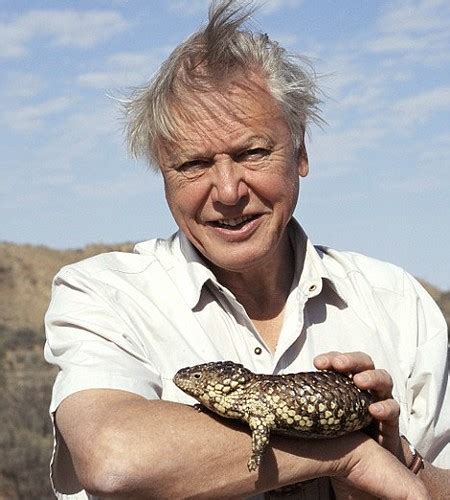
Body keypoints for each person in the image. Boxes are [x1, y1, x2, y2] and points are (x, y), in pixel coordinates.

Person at [44, 1, 449, 498]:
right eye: (193, 163)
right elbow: (112, 458)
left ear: (300, 152)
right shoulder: (104, 295)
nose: (229, 191)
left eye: (252, 152)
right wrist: (345, 452)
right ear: (163, 176)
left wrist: (401, 465)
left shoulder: (397, 302)